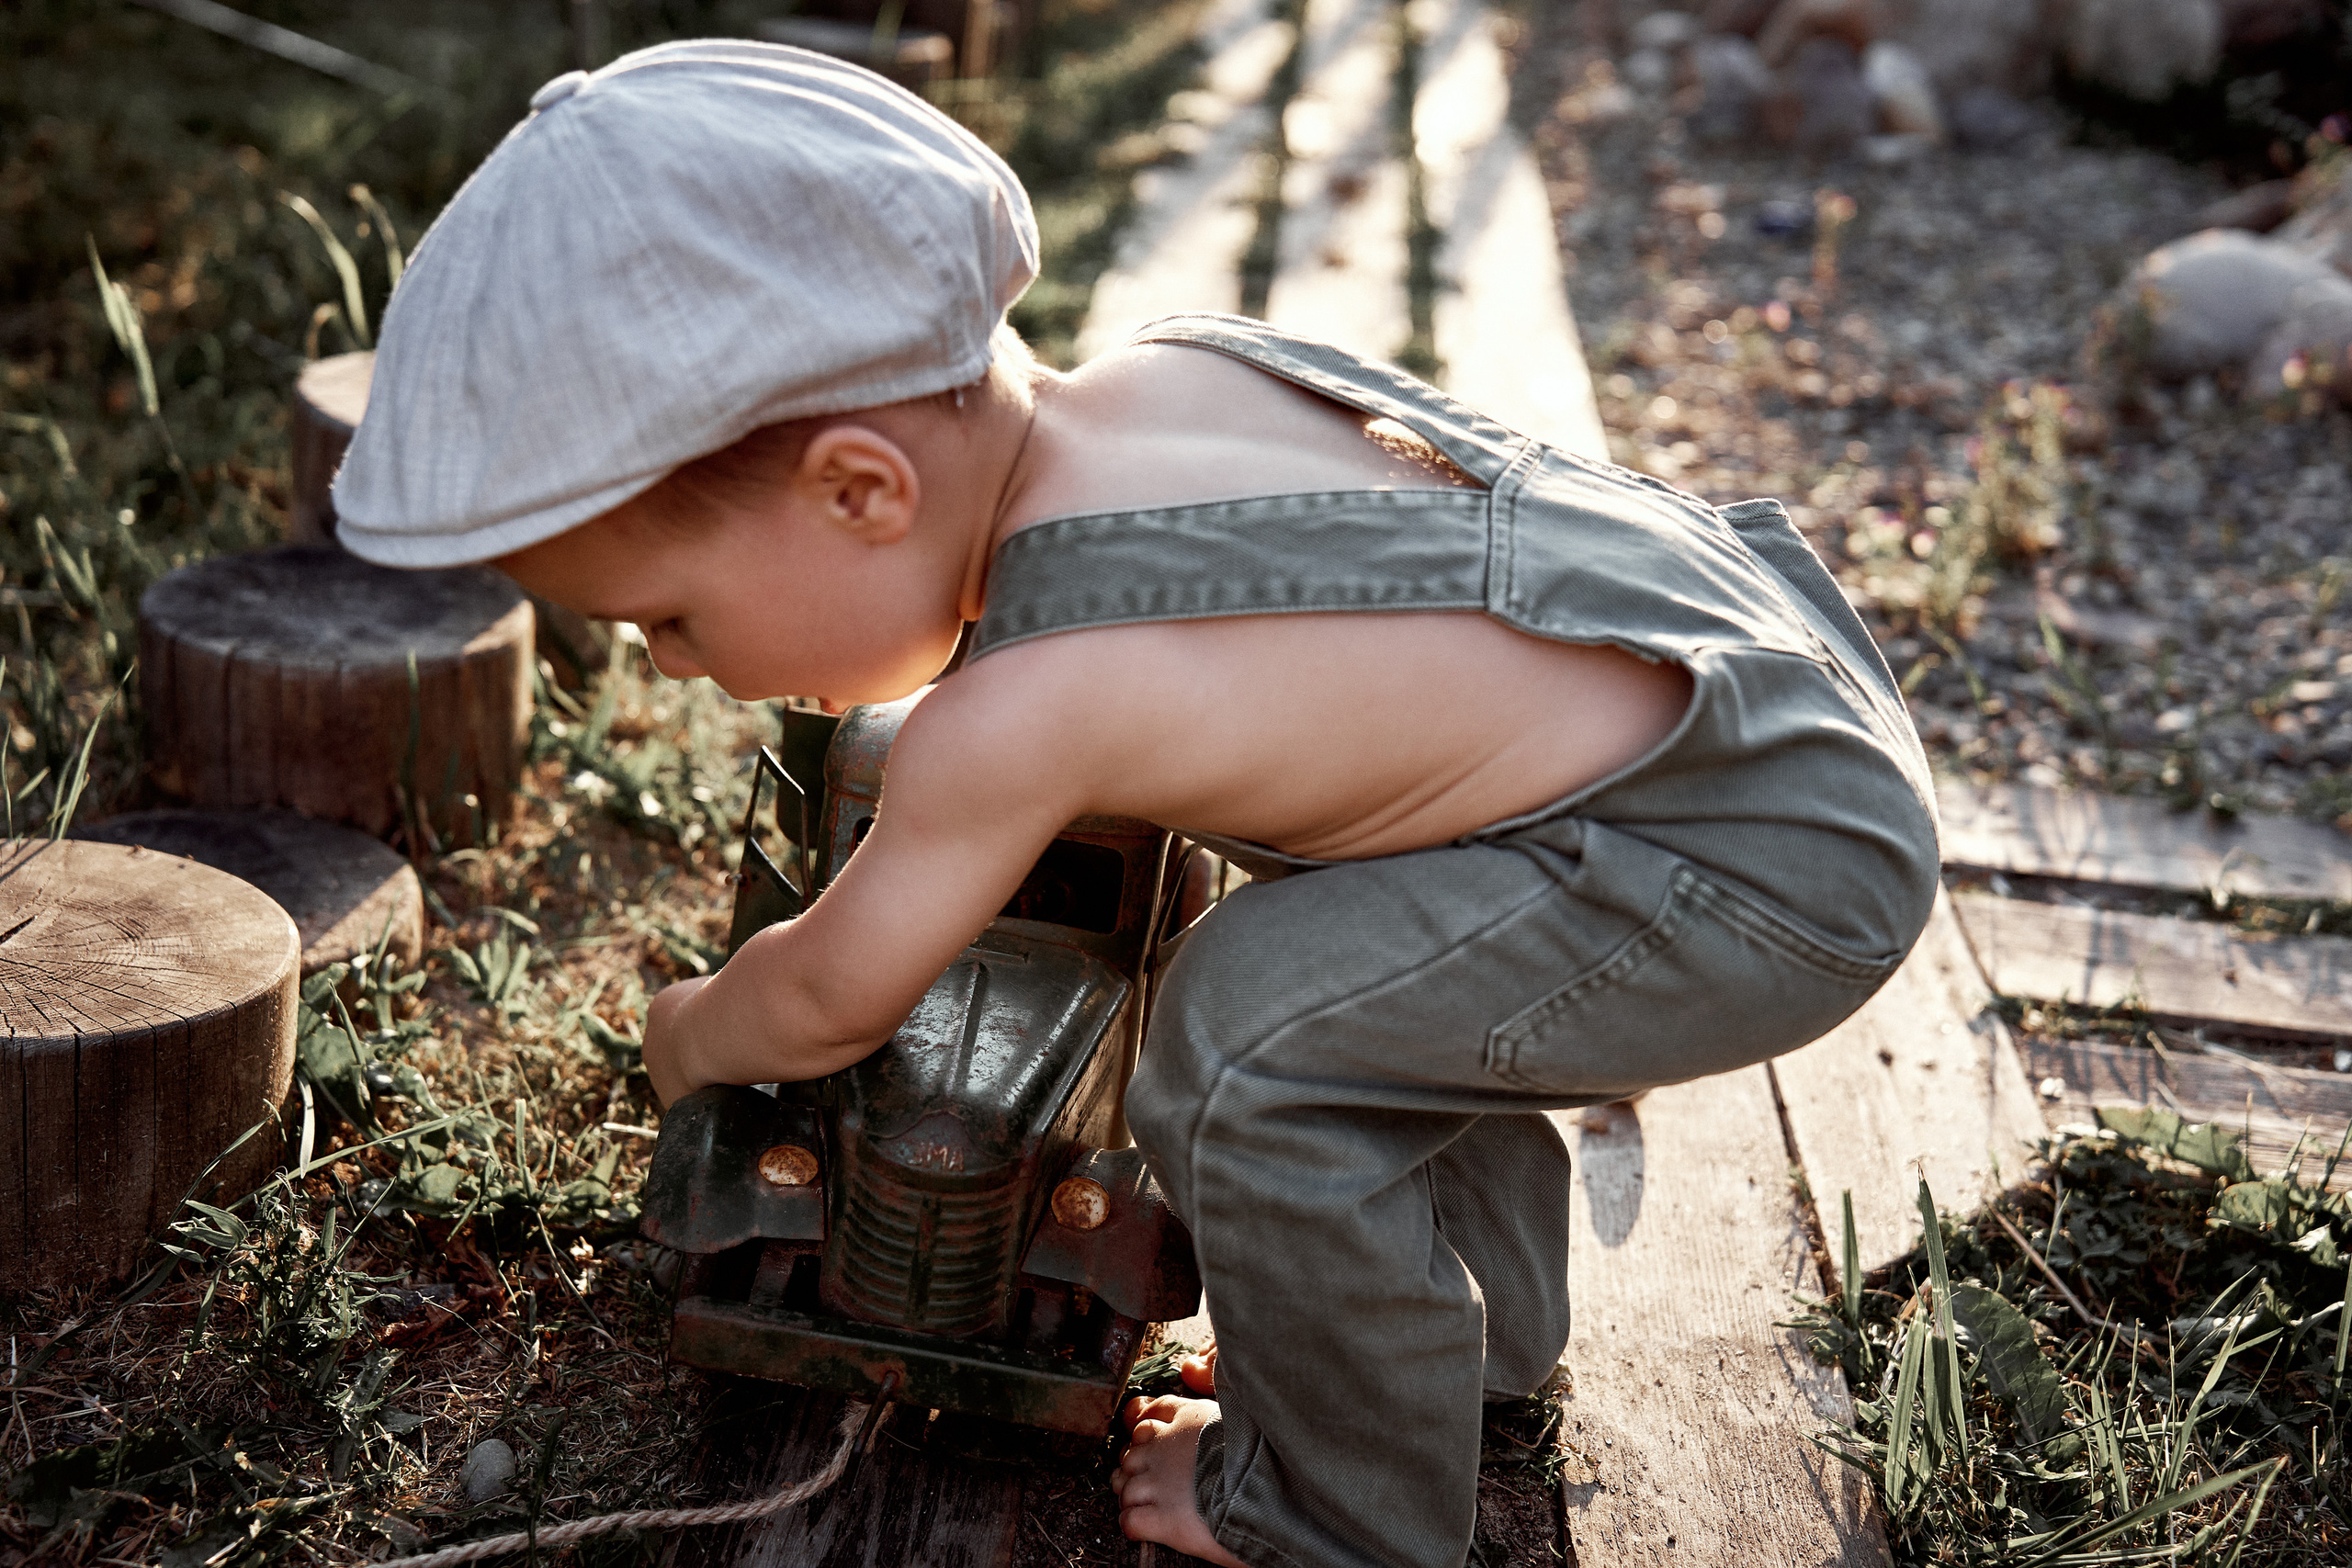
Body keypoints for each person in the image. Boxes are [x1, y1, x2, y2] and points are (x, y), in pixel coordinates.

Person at [334, 40, 1940, 1568]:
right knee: (1370, 977)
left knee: (1246, 1040)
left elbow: (829, 997)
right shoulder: (1176, 366)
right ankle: (1443, 1353)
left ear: (861, 490)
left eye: (670, 620)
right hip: (1766, 697)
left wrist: (690, 1033)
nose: (675, 668)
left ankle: (1336, 1516)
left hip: (1756, 867)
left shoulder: (1017, 710)